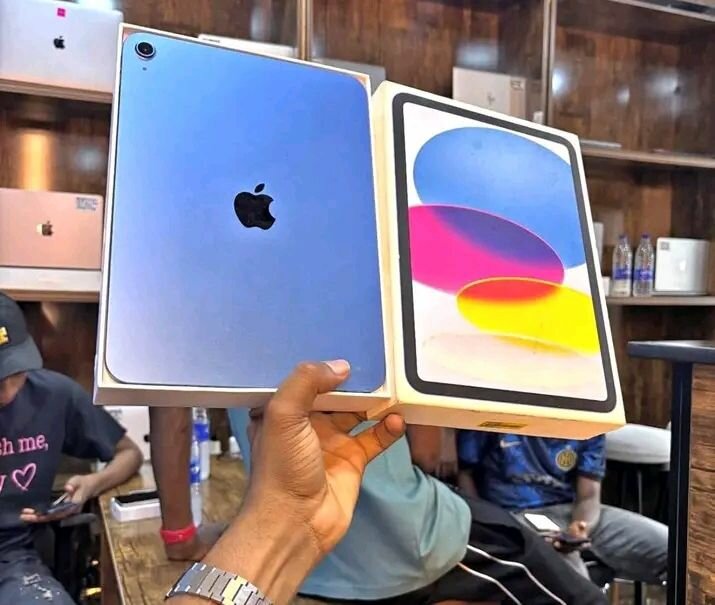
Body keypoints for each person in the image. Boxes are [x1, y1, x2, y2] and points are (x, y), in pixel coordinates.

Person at [228, 401, 607, 603]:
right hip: (410, 540)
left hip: (307, 565)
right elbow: (427, 454)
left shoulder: (233, 309)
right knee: (582, 599)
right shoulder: (373, 290)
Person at [166, 360, 406, 605]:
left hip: (328, 563)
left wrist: (179, 536)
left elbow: (172, 417)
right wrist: (289, 514)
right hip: (398, 548)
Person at [0, 293, 144, 604]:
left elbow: (129, 453)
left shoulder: (53, 395)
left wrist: (92, 484)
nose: (7, 394)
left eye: (15, 374)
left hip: (13, 562)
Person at [457, 431, 668, 586]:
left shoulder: (587, 414)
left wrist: (580, 527)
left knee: (673, 548)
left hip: (571, 510)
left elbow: (589, 495)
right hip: (513, 512)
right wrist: (486, 523)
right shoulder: (504, 404)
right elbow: (465, 473)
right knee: (573, 573)